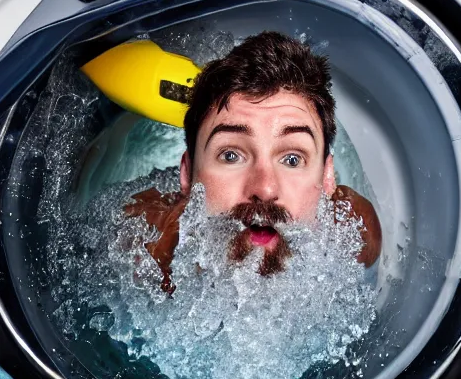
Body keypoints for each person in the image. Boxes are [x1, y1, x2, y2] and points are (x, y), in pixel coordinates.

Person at [124, 31, 382, 293]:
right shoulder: (153, 253)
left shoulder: (353, 238)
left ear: (327, 178)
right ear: (187, 175)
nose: (265, 188)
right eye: (231, 155)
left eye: (292, 159)